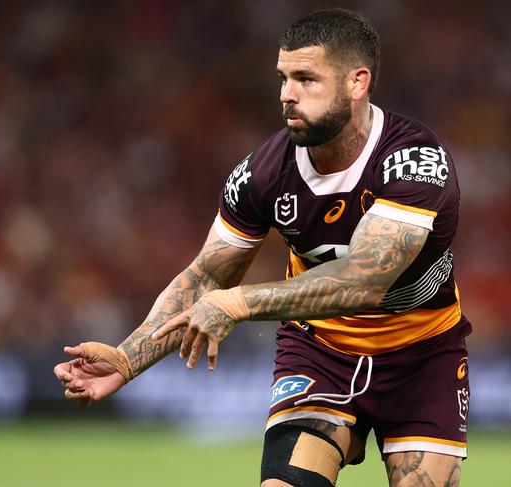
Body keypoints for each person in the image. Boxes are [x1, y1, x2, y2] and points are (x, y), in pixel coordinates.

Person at [54, 8, 470, 487]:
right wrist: (127, 360)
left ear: (357, 83)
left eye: (306, 79)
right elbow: (205, 278)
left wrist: (239, 303)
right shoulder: (261, 174)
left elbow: (365, 278)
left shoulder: (414, 160)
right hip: (320, 351)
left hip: (423, 353)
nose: (286, 94)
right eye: (283, 78)